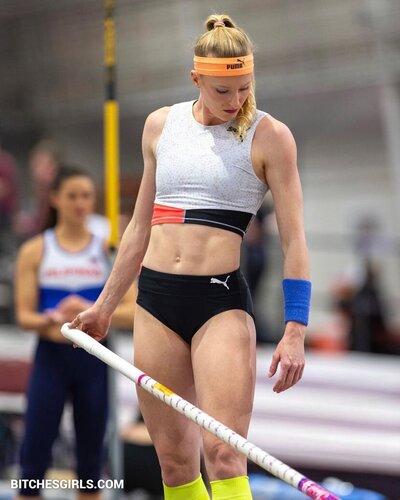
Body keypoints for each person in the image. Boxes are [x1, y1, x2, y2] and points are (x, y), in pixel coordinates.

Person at [71, 14, 311, 500]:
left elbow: (295, 241)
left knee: (223, 455)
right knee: (176, 464)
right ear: (196, 79)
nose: (236, 100)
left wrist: (295, 330)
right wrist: (103, 307)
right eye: (222, 90)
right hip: (155, 302)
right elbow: (138, 229)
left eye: (244, 88)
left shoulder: (270, 136)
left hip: (219, 306)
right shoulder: (161, 126)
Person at [14, 166, 137, 500]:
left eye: (86, 196)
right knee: (33, 459)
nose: (80, 203)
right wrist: (53, 319)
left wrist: (91, 309)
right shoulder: (36, 250)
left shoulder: (107, 250)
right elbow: (24, 316)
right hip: (51, 360)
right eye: (72, 196)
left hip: (94, 361)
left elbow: (133, 311)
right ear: (55, 199)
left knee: (90, 465)